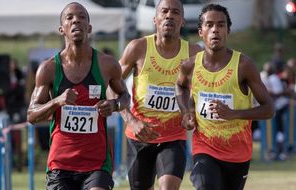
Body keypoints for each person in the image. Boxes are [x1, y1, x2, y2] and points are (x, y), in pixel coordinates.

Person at [27, 2, 130, 190]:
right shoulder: (48, 69)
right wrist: (57, 101)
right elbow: (32, 115)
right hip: (61, 163)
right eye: (70, 18)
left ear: (89, 28)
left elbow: (125, 96)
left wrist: (114, 105)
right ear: (62, 29)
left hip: (97, 162)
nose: (76, 21)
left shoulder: (107, 65)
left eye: (82, 17)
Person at [175, 4, 274, 190]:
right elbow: (180, 86)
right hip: (204, 147)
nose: (215, 30)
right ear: (200, 31)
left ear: (228, 30)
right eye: (209, 25)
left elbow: (269, 109)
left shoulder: (244, 66)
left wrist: (233, 114)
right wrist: (186, 111)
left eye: (220, 25)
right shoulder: (189, 66)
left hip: (238, 153)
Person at [117, 0, 201, 189]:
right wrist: (131, 120)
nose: (169, 16)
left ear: (183, 21)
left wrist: (190, 112)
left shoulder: (194, 53)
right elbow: (112, 85)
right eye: (164, 11)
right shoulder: (138, 47)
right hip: (139, 136)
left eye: (175, 12)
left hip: (173, 138)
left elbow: (202, 90)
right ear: (155, 19)